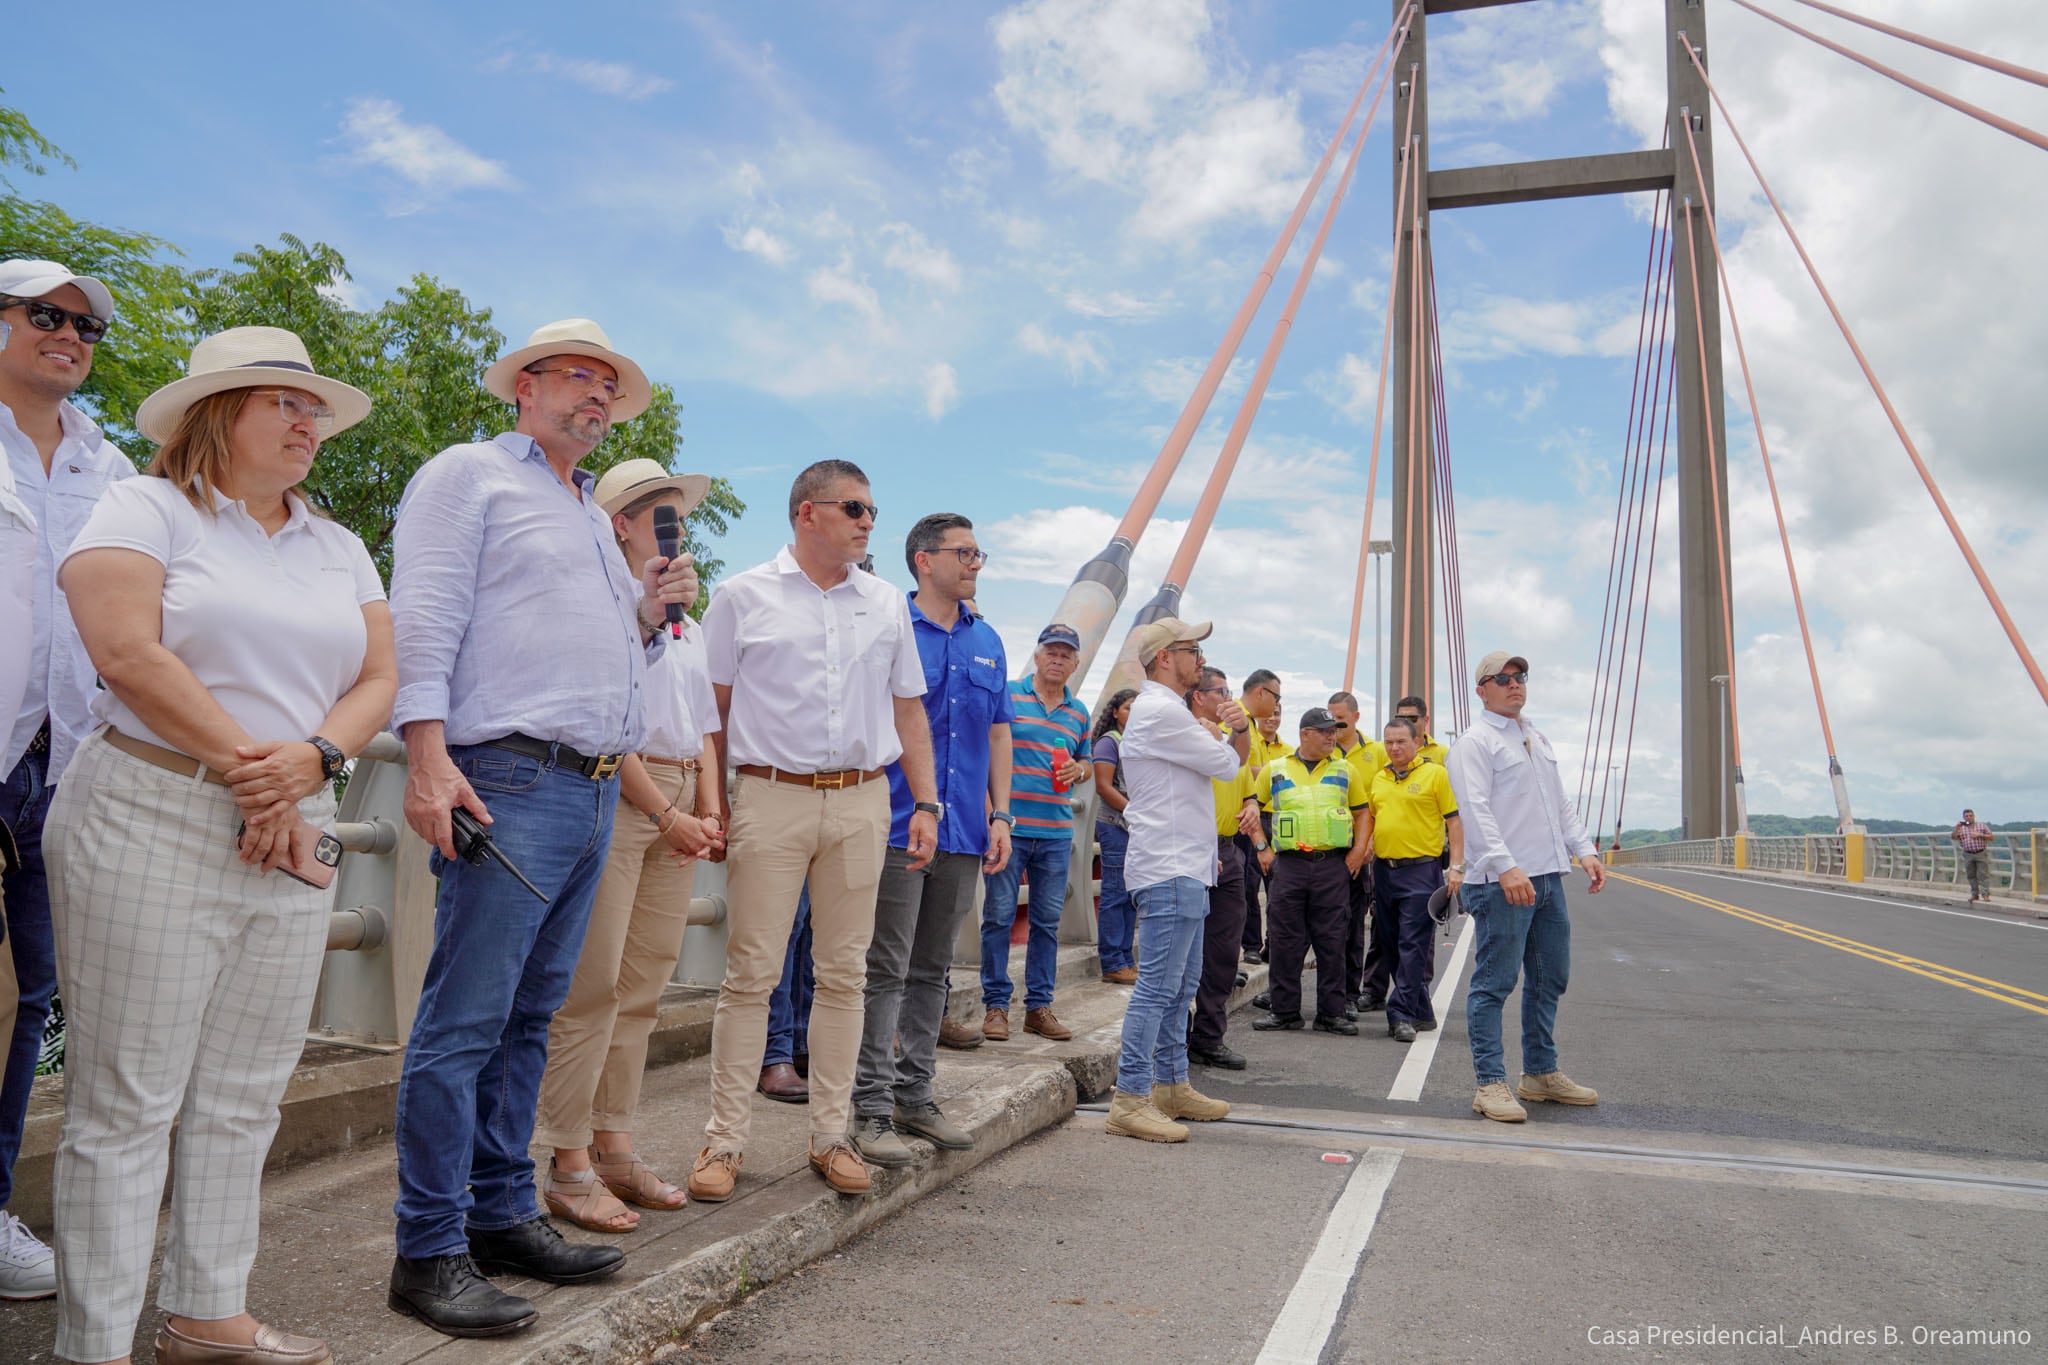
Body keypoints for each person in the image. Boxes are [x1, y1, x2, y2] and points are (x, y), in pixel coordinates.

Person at [46, 327, 394, 1365]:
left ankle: (206, 1313)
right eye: (285, 403)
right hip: (153, 808)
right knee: (127, 1103)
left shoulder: (334, 543)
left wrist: (316, 761)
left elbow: (379, 675)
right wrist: (259, 769)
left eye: (314, 409)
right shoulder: (144, 507)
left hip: (294, 825)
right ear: (219, 411)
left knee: (244, 1092)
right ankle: (93, 1345)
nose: (308, 423)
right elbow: (123, 649)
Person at [386, 320, 698, 1336]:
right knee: (464, 1023)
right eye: (580, 376)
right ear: (523, 386)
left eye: (611, 384)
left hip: (593, 786)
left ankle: (500, 1212)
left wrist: (648, 615)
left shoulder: (577, 511)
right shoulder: (467, 475)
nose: (600, 396)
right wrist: (426, 756)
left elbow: (597, 660)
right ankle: (427, 1247)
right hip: (506, 777)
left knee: (530, 1020)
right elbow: (423, 618)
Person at [688, 459, 938, 1205]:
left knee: (845, 973)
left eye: (872, 508)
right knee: (751, 974)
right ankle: (724, 1138)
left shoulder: (886, 601)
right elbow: (713, 712)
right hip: (771, 795)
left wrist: (925, 803)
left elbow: (909, 711)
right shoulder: (741, 596)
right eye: (854, 507)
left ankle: (831, 1135)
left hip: (863, 800)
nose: (868, 521)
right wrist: (716, 802)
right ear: (807, 513)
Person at [532, 459, 724, 1234]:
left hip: (682, 798)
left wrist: (709, 809)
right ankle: (566, 1157)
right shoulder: (607, 608)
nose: (678, 528)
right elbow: (611, 719)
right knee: (592, 985)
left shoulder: (691, 621)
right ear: (622, 524)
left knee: (644, 986)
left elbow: (705, 725)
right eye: (663, 515)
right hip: (623, 793)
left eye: (680, 515)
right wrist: (667, 811)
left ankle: (615, 1143)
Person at [0, 260, 133, 1300]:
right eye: (48, 315)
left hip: (62, 763)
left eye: (86, 326)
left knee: (32, 996)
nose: (72, 336)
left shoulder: (110, 466)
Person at [850, 513, 1014, 1169]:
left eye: (979, 552)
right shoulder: (891, 626)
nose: (976, 562)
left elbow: (999, 731)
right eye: (964, 551)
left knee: (933, 970)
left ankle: (916, 1094)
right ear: (924, 559)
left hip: (965, 832)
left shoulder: (991, 640)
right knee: (883, 967)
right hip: (895, 822)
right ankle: (868, 1104)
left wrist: (1001, 813)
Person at [1448, 651, 1607, 1124]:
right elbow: (1474, 810)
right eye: (1503, 678)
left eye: (1520, 677)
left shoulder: (1534, 737)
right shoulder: (1475, 743)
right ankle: (1489, 1083)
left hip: (1548, 876)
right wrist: (1505, 866)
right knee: (1494, 983)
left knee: (1551, 977)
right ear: (1482, 689)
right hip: (1504, 882)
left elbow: (1560, 804)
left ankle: (1539, 1074)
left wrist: (1585, 850)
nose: (1514, 684)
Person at [1103, 620, 1246, 1143]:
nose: (1200, 659)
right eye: (1192, 650)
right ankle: (1131, 1097)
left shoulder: (1169, 712)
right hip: (1167, 866)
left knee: (1181, 985)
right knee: (1158, 987)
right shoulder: (1160, 710)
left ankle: (1170, 1084)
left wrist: (1232, 733)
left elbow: (1228, 763)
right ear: (1165, 657)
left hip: (1186, 864)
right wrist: (1232, 732)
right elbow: (1228, 765)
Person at [979, 625, 1091, 1043]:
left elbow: (1086, 761)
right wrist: (994, 816)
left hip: (1058, 832)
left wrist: (1079, 770)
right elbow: (987, 746)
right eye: (1052, 652)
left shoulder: (1079, 712)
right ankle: (995, 1008)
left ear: (1076, 663)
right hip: (1010, 829)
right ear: (1038, 656)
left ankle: (1038, 1008)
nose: (1058, 659)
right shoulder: (1008, 694)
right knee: (998, 917)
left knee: (1046, 922)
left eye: (1067, 654)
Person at [1252, 708, 1371, 1037]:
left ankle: (1331, 1014)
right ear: (1306, 734)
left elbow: (1363, 814)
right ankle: (1285, 1011)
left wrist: (1359, 852)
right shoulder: (1275, 770)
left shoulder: (1347, 770)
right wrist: (1262, 848)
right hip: (1289, 865)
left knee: (1333, 940)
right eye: (1325, 731)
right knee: (1285, 941)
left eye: (1334, 731)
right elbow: (1251, 808)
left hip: (1332, 865)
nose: (1332, 736)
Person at [1361, 719, 1463, 1043]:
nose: (1394, 748)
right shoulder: (1379, 778)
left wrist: (1457, 867)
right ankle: (1421, 1010)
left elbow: (1455, 823)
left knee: (1413, 944)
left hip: (1421, 871)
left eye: (1401, 741)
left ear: (1417, 742)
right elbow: (1373, 819)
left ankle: (1401, 1014)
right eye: (1389, 742)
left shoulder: (1436, 774)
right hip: (1384, 871)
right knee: (1389, 944)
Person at [1188, 666, 1254, 1072]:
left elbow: (1242, 772)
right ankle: (1176, 1038)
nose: (1228, 697)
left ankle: (1209, 1038)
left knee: (1223, 952)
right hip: (1193, 849)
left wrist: (1249, 804)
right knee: (1184, 953)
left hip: (1228, 853)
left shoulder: (1230, 737)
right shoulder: (1186, 733)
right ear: (1198, 696)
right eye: (1220, 691)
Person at [1327, 692, 1386, 1015]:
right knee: (1321, 926)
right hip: (1327, 851)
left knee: (1352, 926)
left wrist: (1367, 845)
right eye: (1330, 719)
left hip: (1360, 852)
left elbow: (1384, 800)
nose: (1334, 726)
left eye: (1341, 719)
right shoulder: (1324, 749)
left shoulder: (1376, 753)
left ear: (1356, 716)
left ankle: (1350, 993)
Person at [1235, 670, 1288, 964]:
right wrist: (1276, 773)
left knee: (1273, 888)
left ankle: (1269, 945)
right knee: (1244, 887)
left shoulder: (1249, 728)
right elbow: (1245, 774)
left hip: (1268, 818)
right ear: (1261, 693)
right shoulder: (1238, 722)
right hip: (1242, 822)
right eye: (1275, 697)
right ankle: (1249, 945)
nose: (1275, 710)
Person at [1090, 689, 1139, 986]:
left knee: (1131, 895)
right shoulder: (1110, 742)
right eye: (1129, 708)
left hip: (1134, 827)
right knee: (1115, 892)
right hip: (1114, 824)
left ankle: (1125, 958)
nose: (1134, 714)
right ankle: (1112, 962)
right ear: (1116, 712)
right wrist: (1135, 811)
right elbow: (1103, 787)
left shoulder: (1138, 742)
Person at [1951, 809, 1995, 903]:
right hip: (1968, 853)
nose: (1969, 817)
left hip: (1980, 852)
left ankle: (1985, 894)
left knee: (1983, 874)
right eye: (1966, 816)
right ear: (1963, 817)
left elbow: (1991, 837)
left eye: (1970, 816)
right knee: (1971, 875)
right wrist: (1957, 828)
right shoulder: (1961, 827)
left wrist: (1980, 835)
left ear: (1974, 816)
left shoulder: (1981, 825)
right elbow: (1953, 837)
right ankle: (1974, 894)